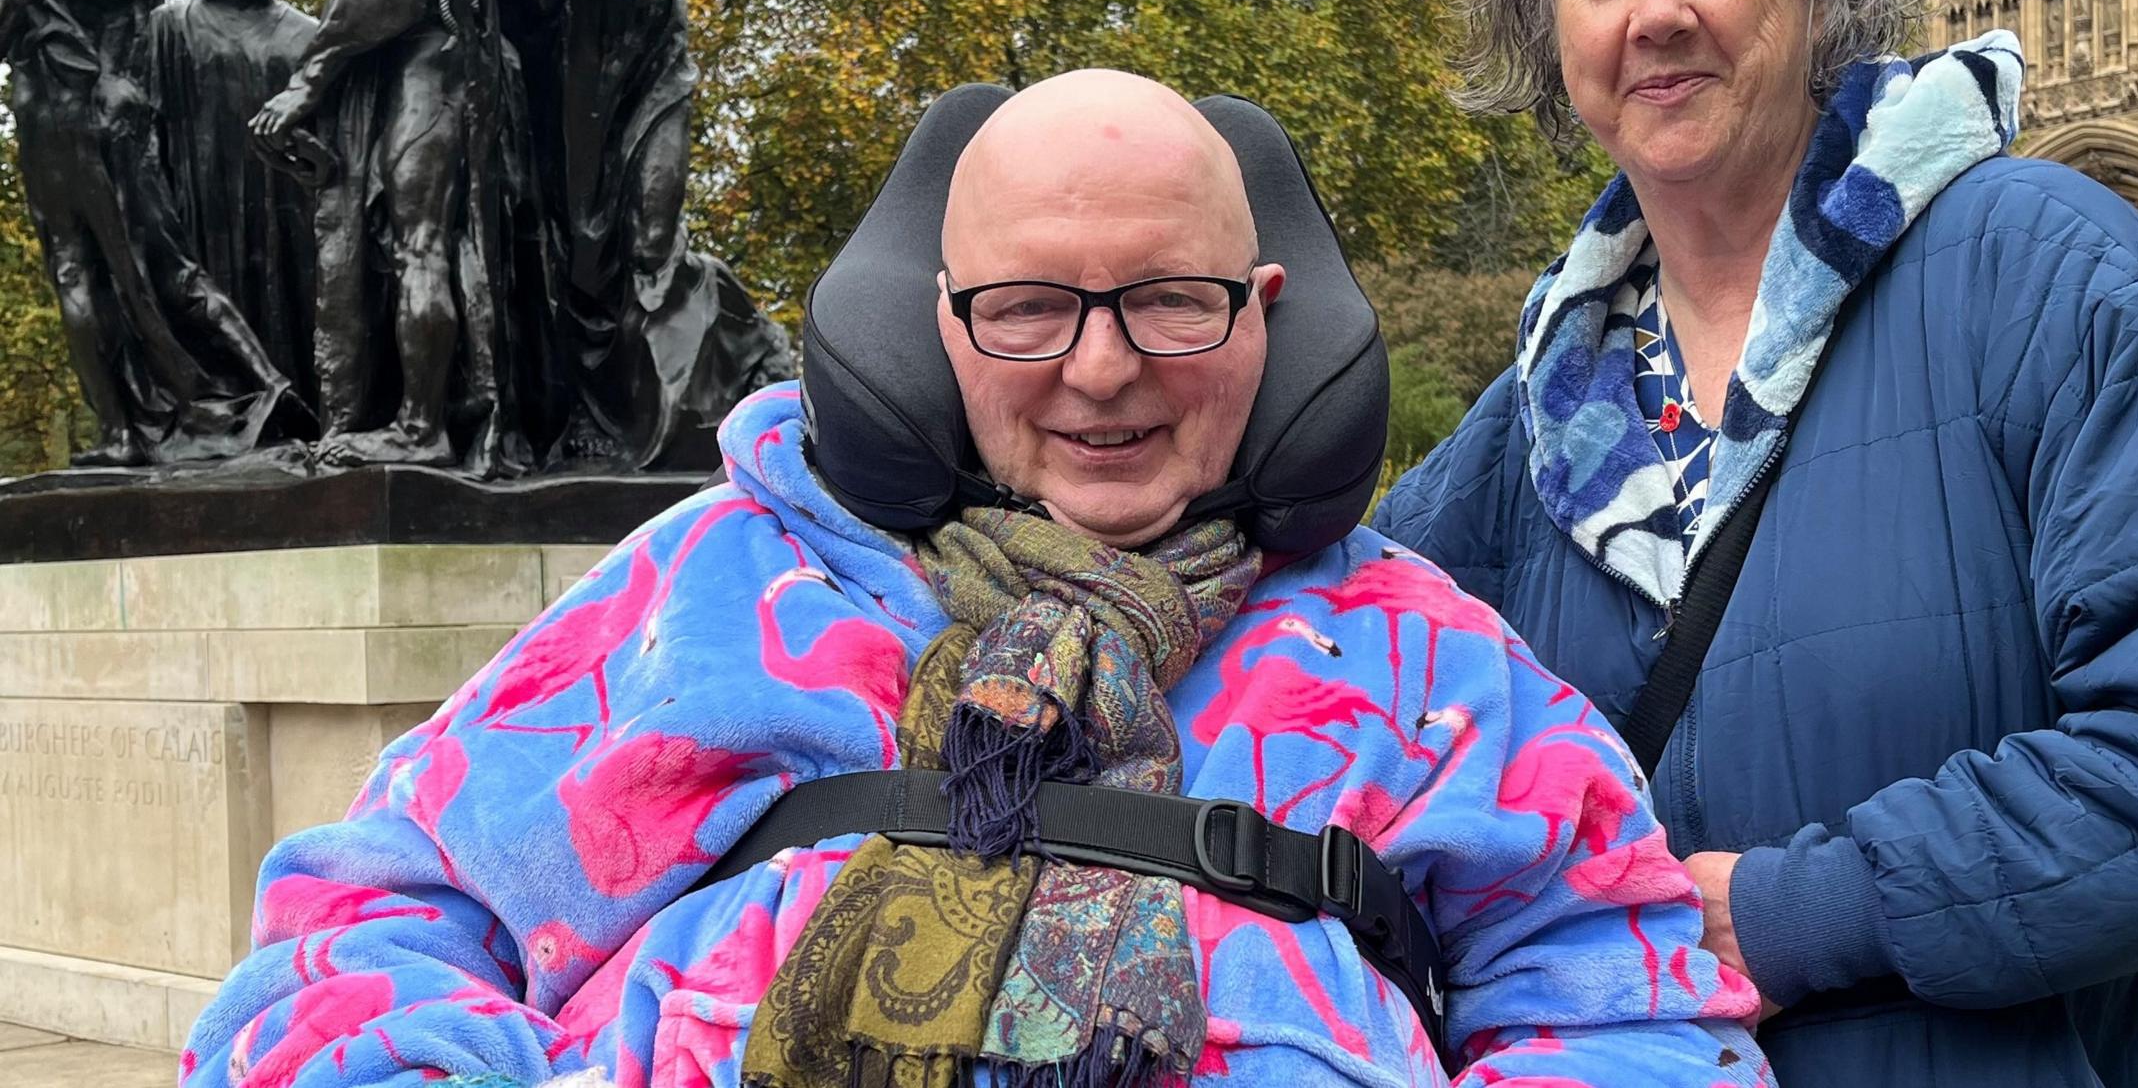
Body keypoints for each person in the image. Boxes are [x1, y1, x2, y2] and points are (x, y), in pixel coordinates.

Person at [183, 69, 1772, 1087]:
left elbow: (1634, 1006)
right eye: (1028, 306)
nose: (1098, 370)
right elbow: (368, 913)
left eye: (1169, 299)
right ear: (944, 323)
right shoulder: (716, 587)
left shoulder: (1434, 668)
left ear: (1267, 308)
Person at [1375, 0, 2138, 1087]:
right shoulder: (1538, 409)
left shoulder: (2052, 277)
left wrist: (1787, 913)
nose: (1657, 6)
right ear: (1554, 34)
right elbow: (1320, 696)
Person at [496, 0, 790, 471]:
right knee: (570, 260)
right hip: (562, 97)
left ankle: (714, 378)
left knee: (650, 242)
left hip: (648, 84)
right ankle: (587, 427)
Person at [248, 0, 513, 470]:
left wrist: (303, 86)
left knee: (419, 245)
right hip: (455, 66)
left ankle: (419, 429)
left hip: (422, 64)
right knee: (432, 242)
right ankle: (436, 414)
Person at [0, 0, 297, 465]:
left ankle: (118, 434)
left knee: (74, 266)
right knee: (168, 263)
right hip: (126, 114)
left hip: (59, 105)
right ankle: (266, 384)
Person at [149, 0, 322, 397]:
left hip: (292, 206)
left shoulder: (310, 35)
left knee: (301, 313)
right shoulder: (172, 25)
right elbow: (146, 129)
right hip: (203, 206)